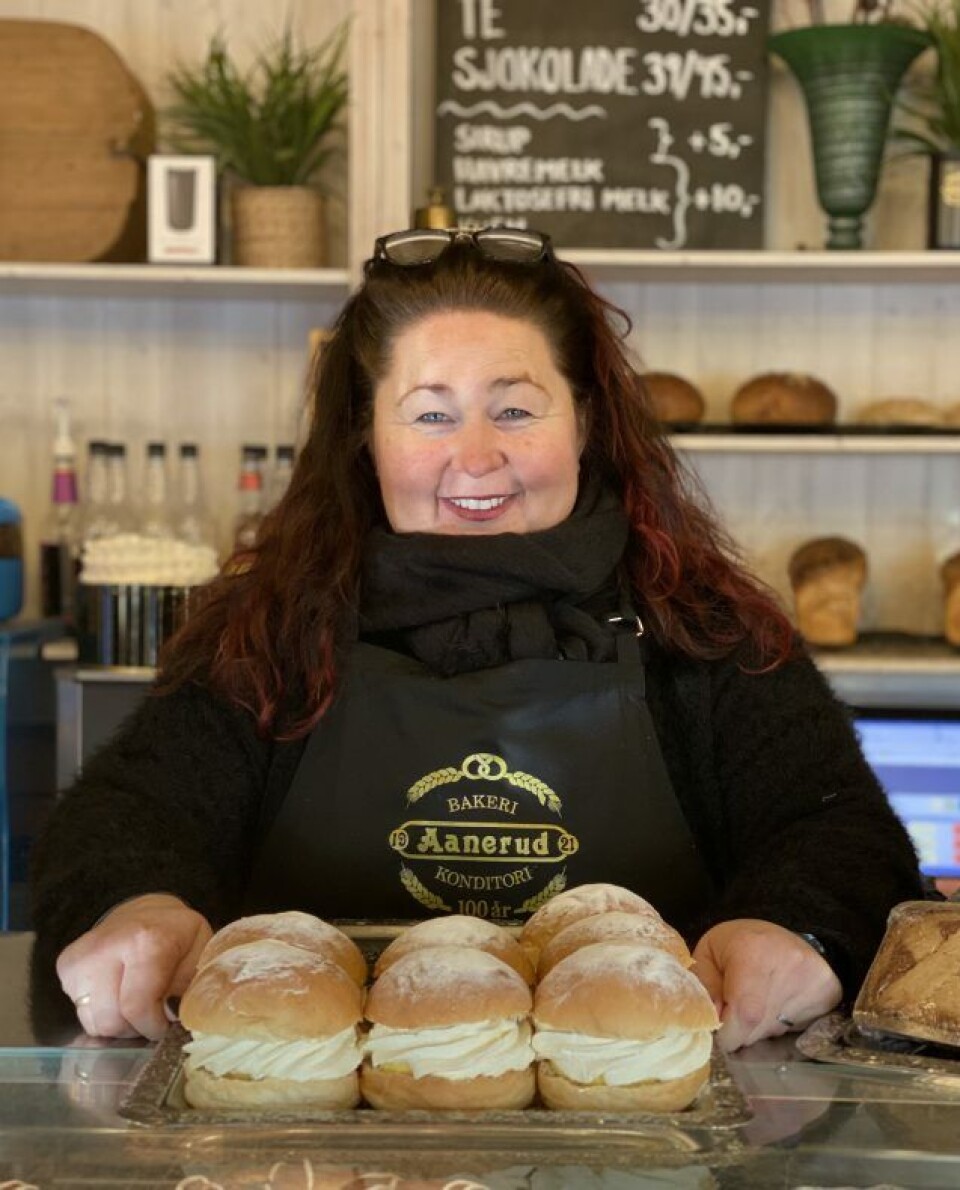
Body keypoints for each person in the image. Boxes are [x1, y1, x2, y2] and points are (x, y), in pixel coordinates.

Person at [31, 227, 923, 1051]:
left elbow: (843, 836)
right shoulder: (268, 634)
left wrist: (797, 926)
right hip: (310, 1151)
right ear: (365, 442)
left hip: (645, 1132)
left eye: (516, 410)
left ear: (585, 424)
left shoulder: (707, 633)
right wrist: (134, 903)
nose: (476, 455)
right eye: (428, 414)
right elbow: (122, 820)